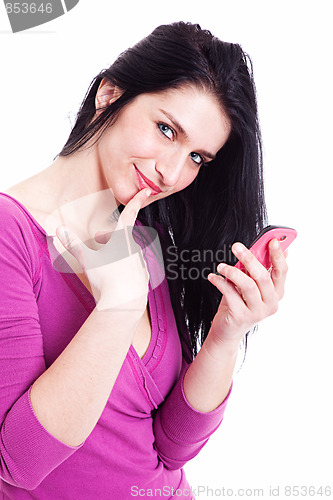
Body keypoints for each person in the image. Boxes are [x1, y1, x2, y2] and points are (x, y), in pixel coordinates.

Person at [0, 21, 288, 499]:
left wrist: (223, 336)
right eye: (166, 129)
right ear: (110, 94)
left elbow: (171, 448)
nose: (173, 172)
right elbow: (18, 462)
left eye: (198, 158)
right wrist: (118, 307)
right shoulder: (11, 235)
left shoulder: (141, 235)